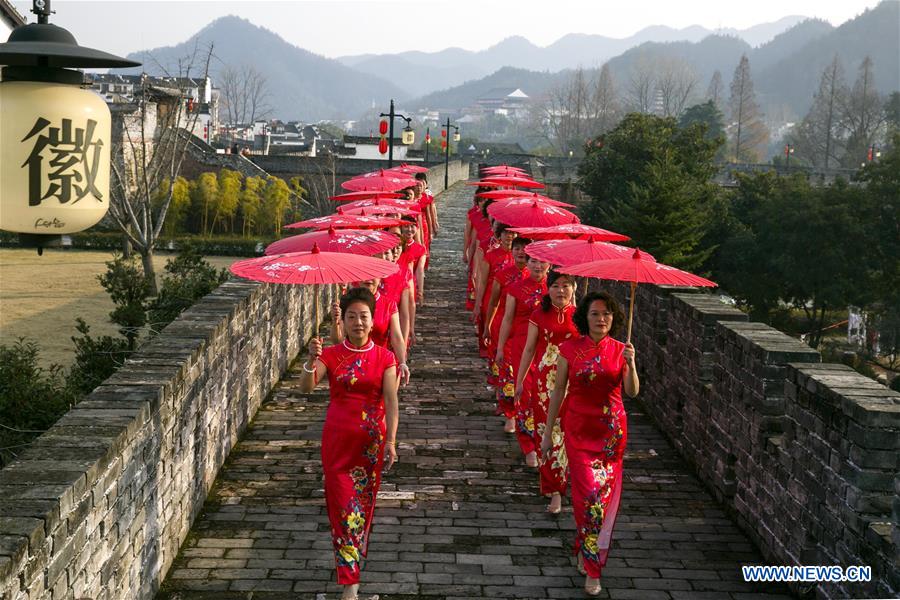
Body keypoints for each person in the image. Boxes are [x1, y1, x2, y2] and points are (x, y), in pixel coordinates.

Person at [298, 288, 400, 600]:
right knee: (343, 510)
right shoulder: (330, 355)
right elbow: (306, 388)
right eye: (351, 316)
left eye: (363, 316)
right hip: (337, 445)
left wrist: (392, 441)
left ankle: (351, 582)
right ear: (341, 321)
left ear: (373, 321)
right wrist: (310, 360)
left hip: (370, 446)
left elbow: (391, 401)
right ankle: (350, 587)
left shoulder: (385, 357)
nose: (358, 322)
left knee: (361, 510)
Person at [540, 291, 639, 596]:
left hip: (611, 433)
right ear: (585, 317)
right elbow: (557, 392)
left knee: (603, 500)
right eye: (595, 313)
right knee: (588, 497)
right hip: (578, 430)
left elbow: (632, 392)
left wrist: (631, 364)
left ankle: (587, 548)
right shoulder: (570, 349)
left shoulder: (622, 350)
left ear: (615, 318)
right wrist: (547, 432)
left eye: (607, 314)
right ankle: (593, 567)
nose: (601, 319)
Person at [514, 271, 578, 514]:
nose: (561, 291)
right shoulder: (538, 314)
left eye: (566, 286)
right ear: (548, 289)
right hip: (544, 384)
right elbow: (529, 349)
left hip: (574, 383)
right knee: (549, 432)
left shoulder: (581, 317)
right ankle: (554, 491)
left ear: (573, 289)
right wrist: (520, 380)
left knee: (568, 433)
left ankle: (570, 481)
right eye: (556, 286)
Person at [495, 255, 550, 462]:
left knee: (544, 396)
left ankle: (545, 441)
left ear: (549, 264)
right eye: (534, 261)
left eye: (542, 261)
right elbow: (508, 319)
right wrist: (500, 347)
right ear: (527, 264)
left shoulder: (556, 290)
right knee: (525, 393)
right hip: (521, 345)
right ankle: (529, 445)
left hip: (547, 348)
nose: (538, 265)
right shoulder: (516, 288)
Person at [483, 236, 529, 427]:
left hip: (530, 334)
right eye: (517, 248)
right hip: (505, 327)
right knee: (508, 371)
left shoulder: (538, 278)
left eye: (524, 249)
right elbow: (493, 302)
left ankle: (524, 413)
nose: (520, 252)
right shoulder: (503, 275)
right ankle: (509, 413)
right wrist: (487, 326)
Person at [330, 278, 410, 386]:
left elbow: (396, 338)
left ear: (380, 278)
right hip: (352, 364)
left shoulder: (389, 305)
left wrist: (402, 362)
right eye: (365, 275)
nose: (369, 279)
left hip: (381, 363)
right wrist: (335, 322)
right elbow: (337, 340)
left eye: (374, 275)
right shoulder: (347, 305)